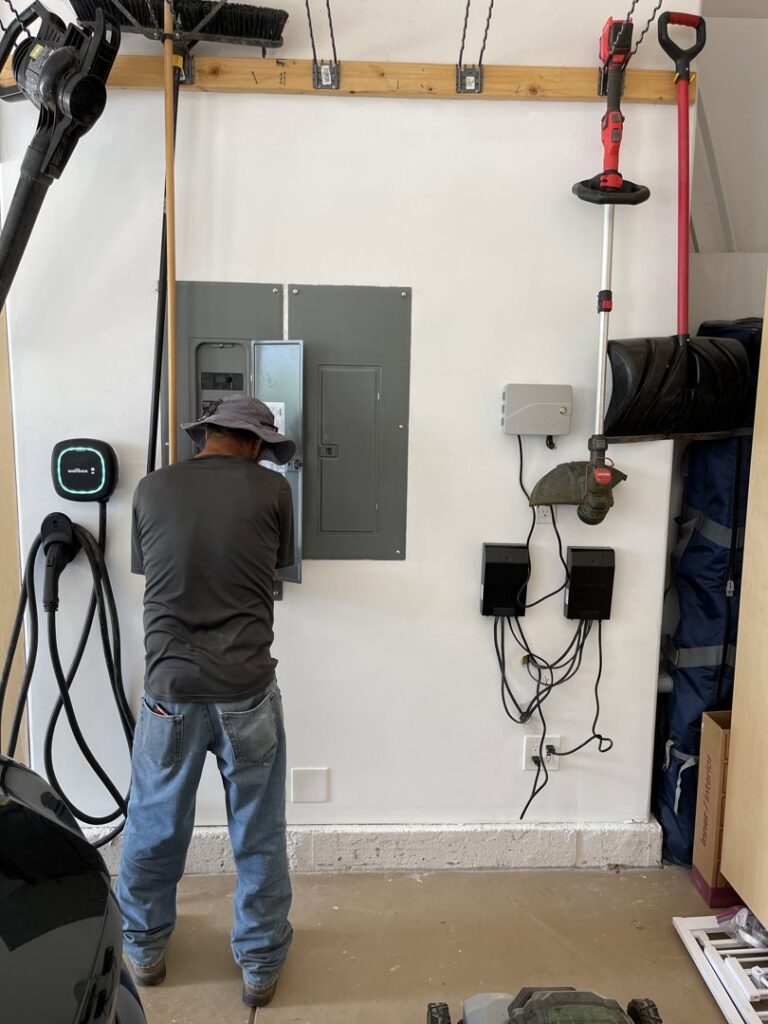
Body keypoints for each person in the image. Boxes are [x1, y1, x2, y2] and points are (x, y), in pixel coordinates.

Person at [117, 395, 296, 1009]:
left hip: (169, 692)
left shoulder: (151, 488)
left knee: (154, 825)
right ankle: (260, 966)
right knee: (258, 829)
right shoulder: (273, 493)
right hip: (247, 690)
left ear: (207, 436)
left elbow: (153, 569)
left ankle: (143, 951)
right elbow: (277, 567)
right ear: (250, 443)